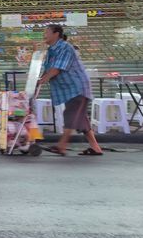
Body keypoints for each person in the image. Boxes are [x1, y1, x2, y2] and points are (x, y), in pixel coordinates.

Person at [37, 24, 103, 156]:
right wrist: (38, 78)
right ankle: (96, 148)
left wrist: (43, 80)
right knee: (81, 119)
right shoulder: (51, 50)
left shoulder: (65, 47)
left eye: (47, 32)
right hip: (68, 89)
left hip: (77, 87)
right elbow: (48, 68)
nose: (44, 35)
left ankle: (62, 145)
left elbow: (57, 68)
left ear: (56, 34)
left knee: (71, 114)